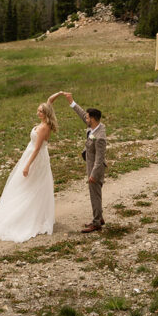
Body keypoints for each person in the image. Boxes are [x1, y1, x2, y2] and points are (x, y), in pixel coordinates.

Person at [0, 101, 58, 243]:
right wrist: (58, 94)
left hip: (36, 159)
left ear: (45, 113)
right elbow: (49, 101)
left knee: (33, 186)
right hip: (31, 155)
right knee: (25, 185)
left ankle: (31, 216)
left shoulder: (44, 128)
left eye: (40, 111)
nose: (37, 113)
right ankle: (30, 214)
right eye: (38, 110)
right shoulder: (43, 124)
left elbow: (37, 149)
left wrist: (27, 165)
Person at [50, 90, 107, 233]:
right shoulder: (96, 126)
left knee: (94, 195)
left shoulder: (99, 137)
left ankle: (96, 223)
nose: (85, 118)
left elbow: (99, 159)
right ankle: (99, 217)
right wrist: (71, 101)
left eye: (87, 117)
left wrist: (93, 174)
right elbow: (82, 114)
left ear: (92, 119)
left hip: (95, 169)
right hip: (92, 165)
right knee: (97, 194)